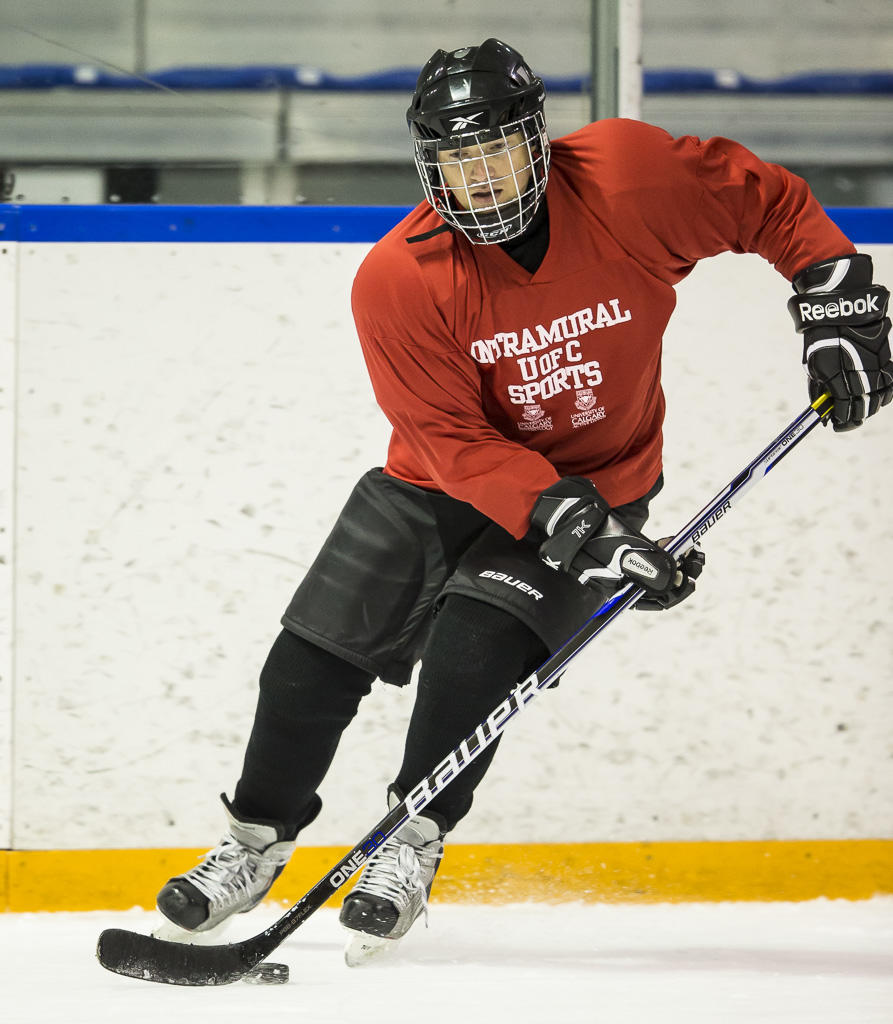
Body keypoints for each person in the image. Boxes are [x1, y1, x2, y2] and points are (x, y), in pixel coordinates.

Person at [156, 38, 892, 964]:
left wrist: (834, 302)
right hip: (437, 483)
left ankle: (409, 846)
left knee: (471, 657)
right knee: (309, 661)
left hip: (605, 476)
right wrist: (576, 533)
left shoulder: (627, 180)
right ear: (431, 167)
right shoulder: (398, 278)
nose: (481, 178)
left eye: (495, 149)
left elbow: (767, 201)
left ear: (537, 140)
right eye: (457, 160)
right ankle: (252, 845)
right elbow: (452, 440)